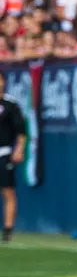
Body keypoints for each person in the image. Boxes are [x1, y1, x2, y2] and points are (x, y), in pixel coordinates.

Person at [0, 71, 26, 243]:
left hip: (4, 152)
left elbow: (21, 131)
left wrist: (19, 150)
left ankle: (8, 230)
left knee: (8, 191)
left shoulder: (11, 104)